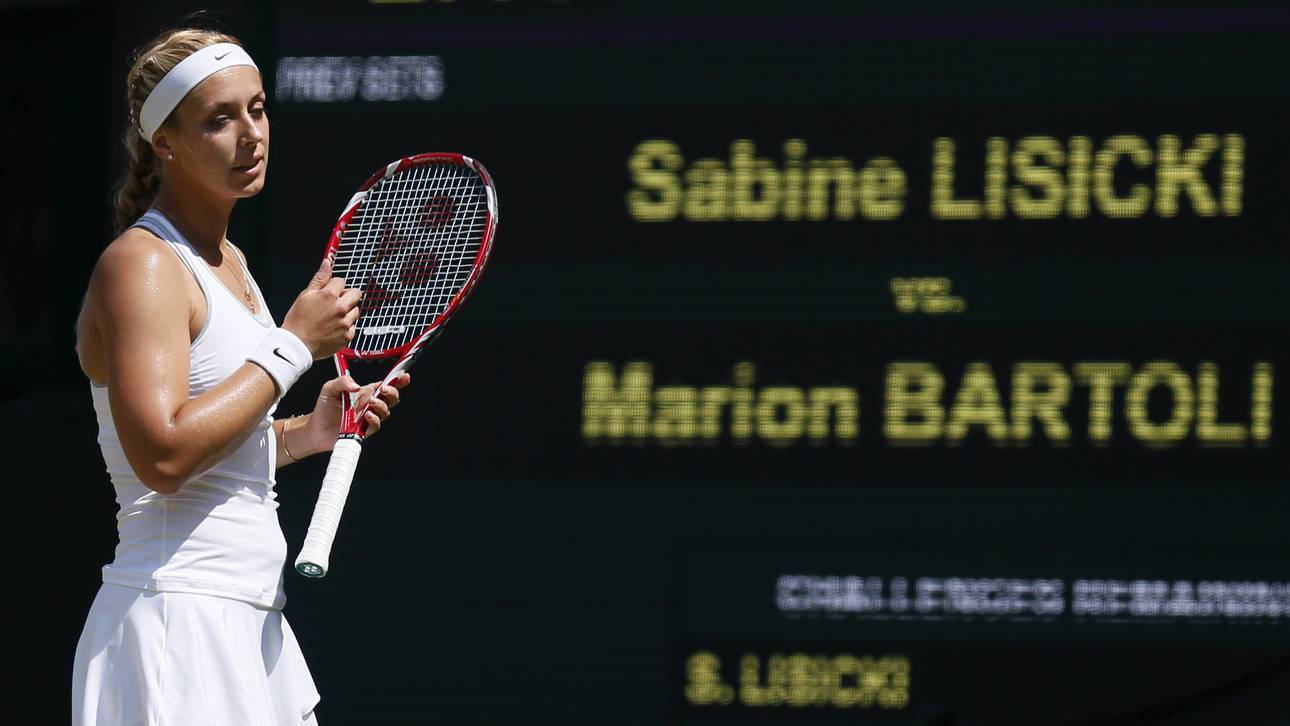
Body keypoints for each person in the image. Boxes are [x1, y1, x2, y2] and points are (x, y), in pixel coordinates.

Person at [72, 26, 409, 725]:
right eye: (219, 119)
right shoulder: (142, 266)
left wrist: (303, 434)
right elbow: (163, 457)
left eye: (257, 109)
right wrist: (292, 346)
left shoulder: (233, 262)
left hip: (251, 627)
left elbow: (218, 452)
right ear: (164, 142)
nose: (251, 134)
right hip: (174, 627)